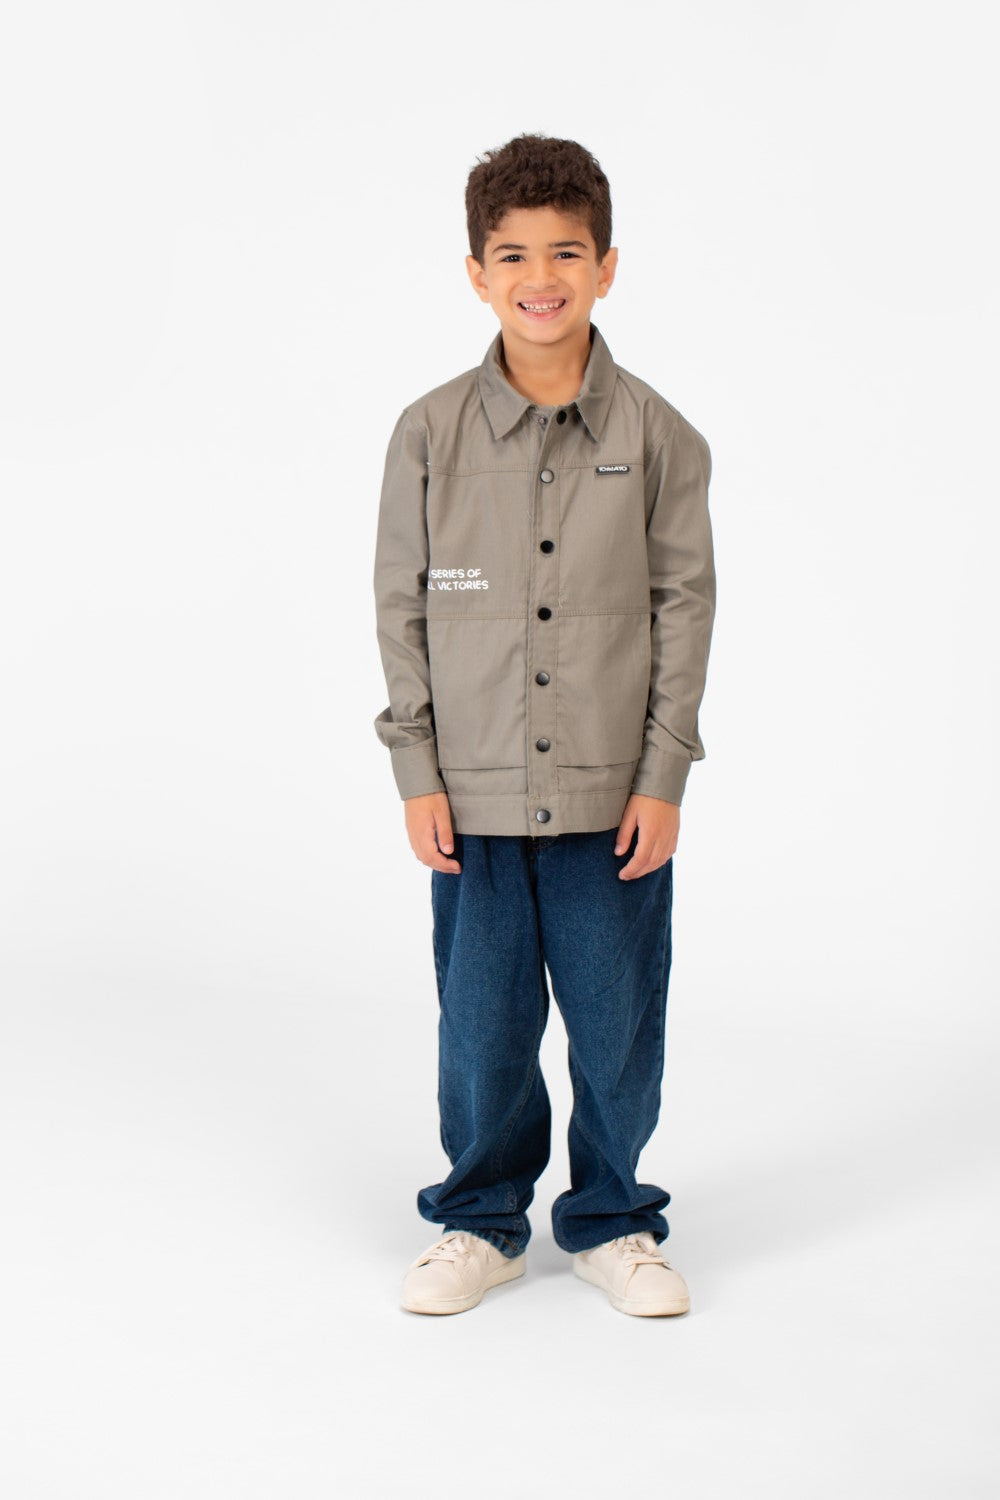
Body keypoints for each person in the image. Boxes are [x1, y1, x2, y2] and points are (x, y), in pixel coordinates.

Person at [371, 132, 717, 1317]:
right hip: (469, 793)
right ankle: (480, 1221)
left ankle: (615, 1219)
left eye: (566, 251)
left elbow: (684, 608)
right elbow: (401, 606)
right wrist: (416, 766)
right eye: (512, 254)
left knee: (616, 1022)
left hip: (610, 796)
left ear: (606, 266)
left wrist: (663, 775)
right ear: (477, 273)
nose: (541, 276)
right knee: (482, 1025)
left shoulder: (661, 436)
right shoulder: (427, 433)